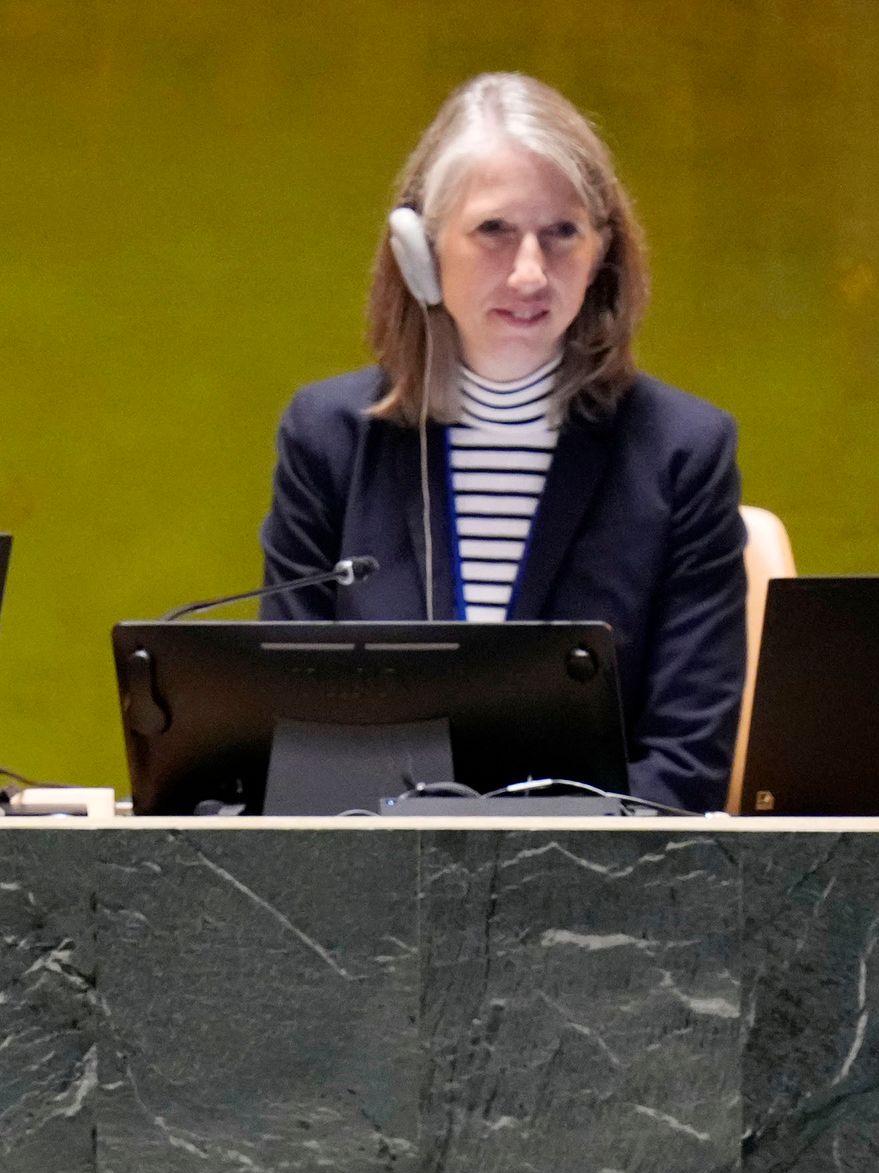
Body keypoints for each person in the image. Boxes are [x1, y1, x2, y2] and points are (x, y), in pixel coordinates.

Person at [258, 73, 746, 814]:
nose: (529, 273)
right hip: (372, 884)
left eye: (562, 233)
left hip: (605, 891)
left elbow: (687, 761)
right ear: (420, 250)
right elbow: (294, 740)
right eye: (494, 231)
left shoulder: (685, 452)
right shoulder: (326, 439)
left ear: (602, 252)